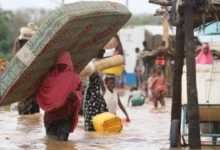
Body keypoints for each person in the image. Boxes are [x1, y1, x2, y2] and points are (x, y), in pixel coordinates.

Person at [36, 51, 82, 141]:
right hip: (51, 116)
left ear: (68, 63)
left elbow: (79, 93)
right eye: (59, 64)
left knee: (63, 142)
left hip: (65, 115)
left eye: (64, 64)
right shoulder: (49, 76)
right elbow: (42, 90)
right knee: (51, 141)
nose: (61, 66)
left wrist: (75, 95)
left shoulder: (74, 78)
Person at [12, 23, 40, 115]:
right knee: (30, 116)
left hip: (28, 91)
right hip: (28, 91)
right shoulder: (24, 45)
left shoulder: (19, 43)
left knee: (28, 117)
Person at [84, 49, 108, 131]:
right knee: (91, 120)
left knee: (100, 120)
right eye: (101, 51)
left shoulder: (98, 65)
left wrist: (102, 94)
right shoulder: (92, 64)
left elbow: (102, 85)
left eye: (103, 52)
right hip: (91, 96)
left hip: (97, 96)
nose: (103, 54)